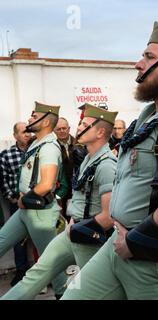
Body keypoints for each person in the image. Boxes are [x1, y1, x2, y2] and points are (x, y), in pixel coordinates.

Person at [61, 21, 158, 300]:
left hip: (152, 259)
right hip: (118, 244)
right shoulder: (147, 118)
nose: (138, 64)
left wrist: (132, 242)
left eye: (149, 57)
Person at [1, 105, 118, 300]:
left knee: (85, 293)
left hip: (90, 239)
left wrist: (76, 228)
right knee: (36, 274)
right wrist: (71, 226)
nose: (78, 128)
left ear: (101, 132)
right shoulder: (89, 159)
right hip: (73, 231)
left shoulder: (106, 165)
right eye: (80, 123)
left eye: (85, 124)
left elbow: (108, 216)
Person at [0, 102, 67, 299]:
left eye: (33, 115)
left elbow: (46, 184)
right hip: (26, 210)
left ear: (45, 121)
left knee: (51, 262)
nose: (29, 118)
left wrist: (23, 199)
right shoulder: (37, 143)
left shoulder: (48, 148)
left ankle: (63, 294)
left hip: (40, 214)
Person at [0, 122, 32, 286]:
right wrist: (11, 197)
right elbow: (3, 179)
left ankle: (43, 271)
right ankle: (21, 270)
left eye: (28, 131)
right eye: (23, 132)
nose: (27, 134)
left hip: (36, 202)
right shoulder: (6, 155)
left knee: (38, 236)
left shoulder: (37, 151)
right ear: (15, 136)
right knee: (17, 238)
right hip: (16, 204)